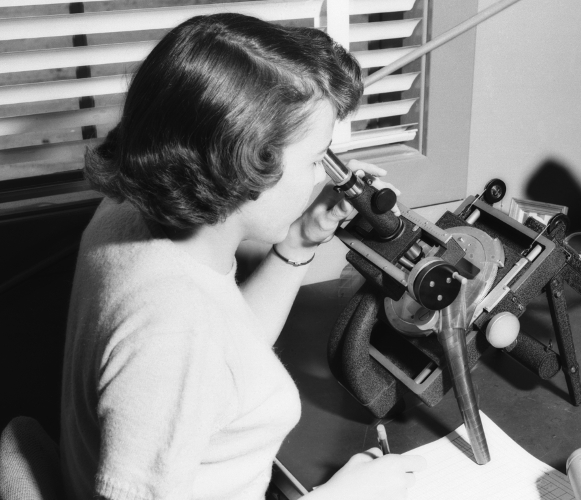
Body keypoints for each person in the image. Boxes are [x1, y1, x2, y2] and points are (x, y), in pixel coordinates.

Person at [59, 13, 426, 500]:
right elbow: (189, 348)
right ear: (249, 162)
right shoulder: (172, 336)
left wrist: (301, 239)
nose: (324, 176)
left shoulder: (128, 210)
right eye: (318, 158)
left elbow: (226, 350)